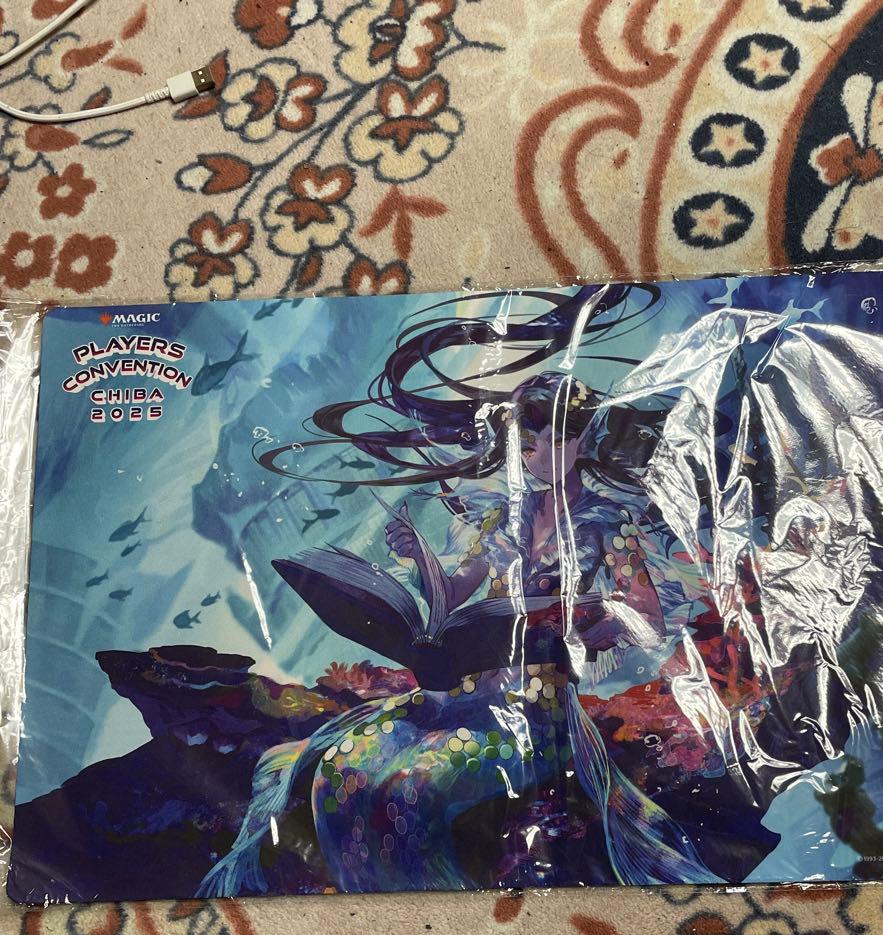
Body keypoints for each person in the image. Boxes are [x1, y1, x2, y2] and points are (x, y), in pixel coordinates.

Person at [198, 288, 721, 896]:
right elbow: (452, 592)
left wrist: (577, 626)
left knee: (410, 788)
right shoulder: (506, 517)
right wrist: (415, 554)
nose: (533, 454)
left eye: (549, 440)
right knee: (337, 762)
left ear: (581, 442)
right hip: (464, 693)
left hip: (536, 707)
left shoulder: (607, 523)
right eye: (525, 444)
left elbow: (647, 622)